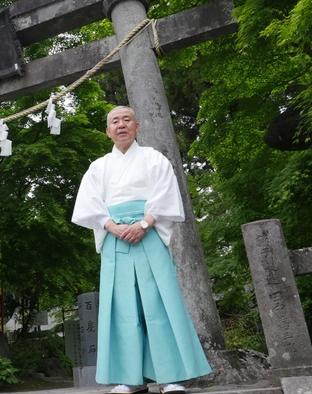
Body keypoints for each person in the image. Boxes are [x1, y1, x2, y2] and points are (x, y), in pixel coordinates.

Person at [71, 106, 211, 394]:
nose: (121, 125)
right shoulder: (98, 167)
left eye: (126, 120)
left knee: (159, 302)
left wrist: (145, 224)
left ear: (137, 126)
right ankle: (130, 378)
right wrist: (111, 226)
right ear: (107, 132)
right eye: (114, 122)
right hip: (115, 238)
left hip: (147, 235)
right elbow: (89, 203)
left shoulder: (153, 159)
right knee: (122, 307)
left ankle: (171, 376)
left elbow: (165, 194)